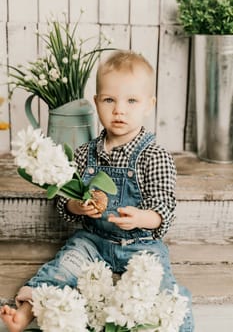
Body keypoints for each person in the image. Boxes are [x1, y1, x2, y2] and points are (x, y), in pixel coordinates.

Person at [0, 50, 194, 331]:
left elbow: (164, 209)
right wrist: (75, 207)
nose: (119, 110)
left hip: (140, 246)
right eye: (109, 100)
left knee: (163, 289)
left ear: (149, 105)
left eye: (131, 101)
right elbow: (64, 201)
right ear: (96, 103)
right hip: (94, 240)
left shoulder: (155, 156)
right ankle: (25, 312)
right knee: (62, 266)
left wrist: (141, 218)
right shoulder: (84, 154)